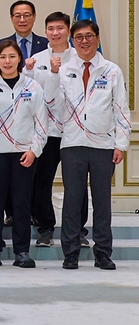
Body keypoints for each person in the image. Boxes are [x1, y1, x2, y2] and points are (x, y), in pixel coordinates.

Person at [53, 20, 130, 270]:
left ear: (97, 38)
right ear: (72, 41)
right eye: (79, 37)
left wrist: (121, 144)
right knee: (72, 201)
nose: (84, 41)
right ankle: (71, 252)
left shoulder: (112, 71)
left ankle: (103, 253)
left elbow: (121, 110)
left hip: (103, 145)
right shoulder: (64, 70)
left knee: (102, 202)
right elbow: (53, 106)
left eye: (89, 36)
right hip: (73, 144)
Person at [0, 39, 48, 269]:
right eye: (3, 57)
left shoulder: (32, 87)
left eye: (12, 57)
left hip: (23, 154)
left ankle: (22, 251)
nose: (7, 61)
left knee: (21, 204)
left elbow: (42, 123)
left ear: (20, 60)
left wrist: (34, 150)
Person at [24, 12, 88, 248]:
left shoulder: (80, 58)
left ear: (68, 31)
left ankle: (78, 230)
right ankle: (45, 227)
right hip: (47, 131)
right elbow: (29, 92)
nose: (55, 33)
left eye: (60, 28)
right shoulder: (37, 59)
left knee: (76, 183)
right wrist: (28, 71)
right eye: (50, 28)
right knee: (43, 182)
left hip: (74, 131)